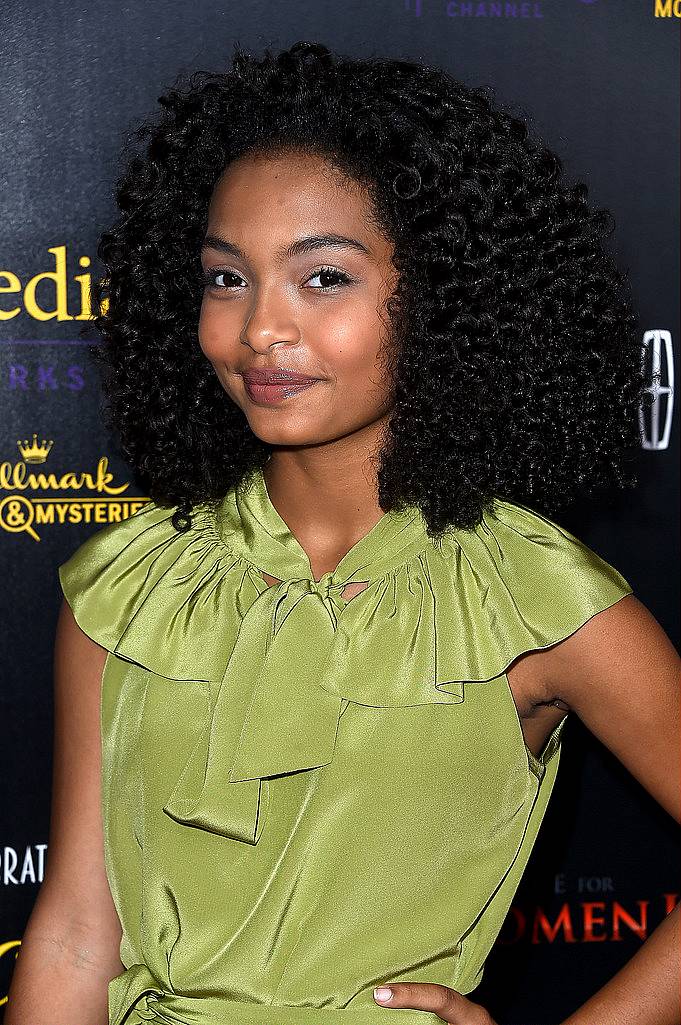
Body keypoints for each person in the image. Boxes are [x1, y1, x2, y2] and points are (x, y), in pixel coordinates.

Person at [7, 39, 679, 1025]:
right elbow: (72, 933)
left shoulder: (534, 595)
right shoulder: (129, 588)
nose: (261, 330)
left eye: (322, 278)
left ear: (438, 297)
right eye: (226, 279)